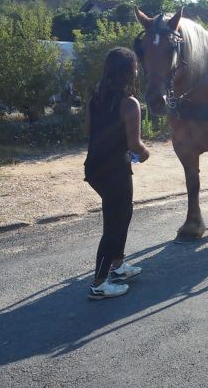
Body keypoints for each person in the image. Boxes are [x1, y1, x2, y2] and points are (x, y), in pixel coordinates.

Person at [83, 47, 150, 300]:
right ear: (129, 71)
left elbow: (87, 131)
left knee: (123, 213)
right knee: (114, 224)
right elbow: (135, 145)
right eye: (135, 67)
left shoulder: (96, 98)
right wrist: (145, 154)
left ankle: (119, 266)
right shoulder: (129, 104)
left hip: (94, 168)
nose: (137, 71)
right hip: (116, 171)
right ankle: (99, 284)